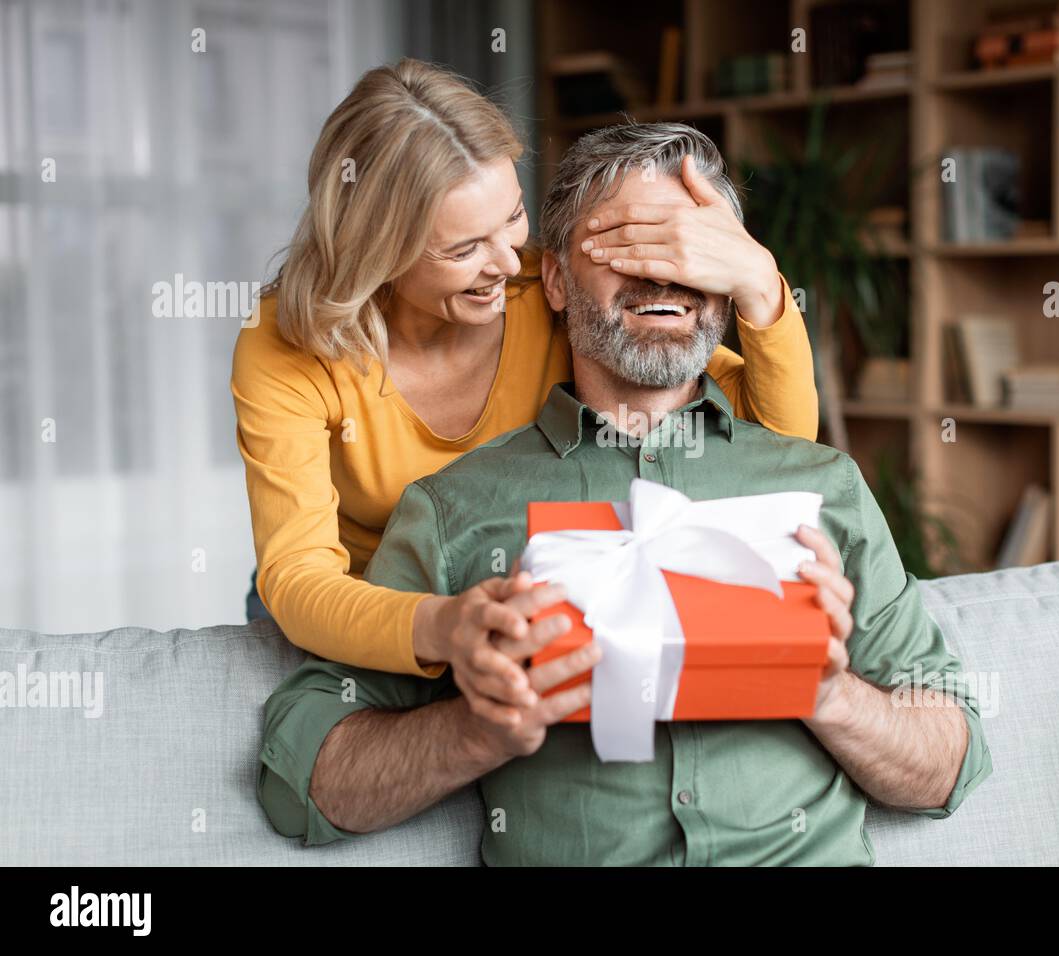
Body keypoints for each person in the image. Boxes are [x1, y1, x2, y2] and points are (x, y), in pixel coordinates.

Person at [255, 123, 992, 865]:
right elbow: (305, 786)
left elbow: (950, 762)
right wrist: (479, 729)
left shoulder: (818, 487)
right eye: (626, 247)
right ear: (552, 280)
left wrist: (829, 693)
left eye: (690, 251)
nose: (662, 275)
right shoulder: (455, 511)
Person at [230, 60, 818, 727]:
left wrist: (760, 283)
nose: (511, 264)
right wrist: (447, 625)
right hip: (370, 612)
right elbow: (300, 581)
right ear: (377, 251)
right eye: (464, 249)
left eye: (512, 218)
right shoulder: (288, 341)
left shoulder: (550, 291)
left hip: (509, 604)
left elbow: (779, 442)